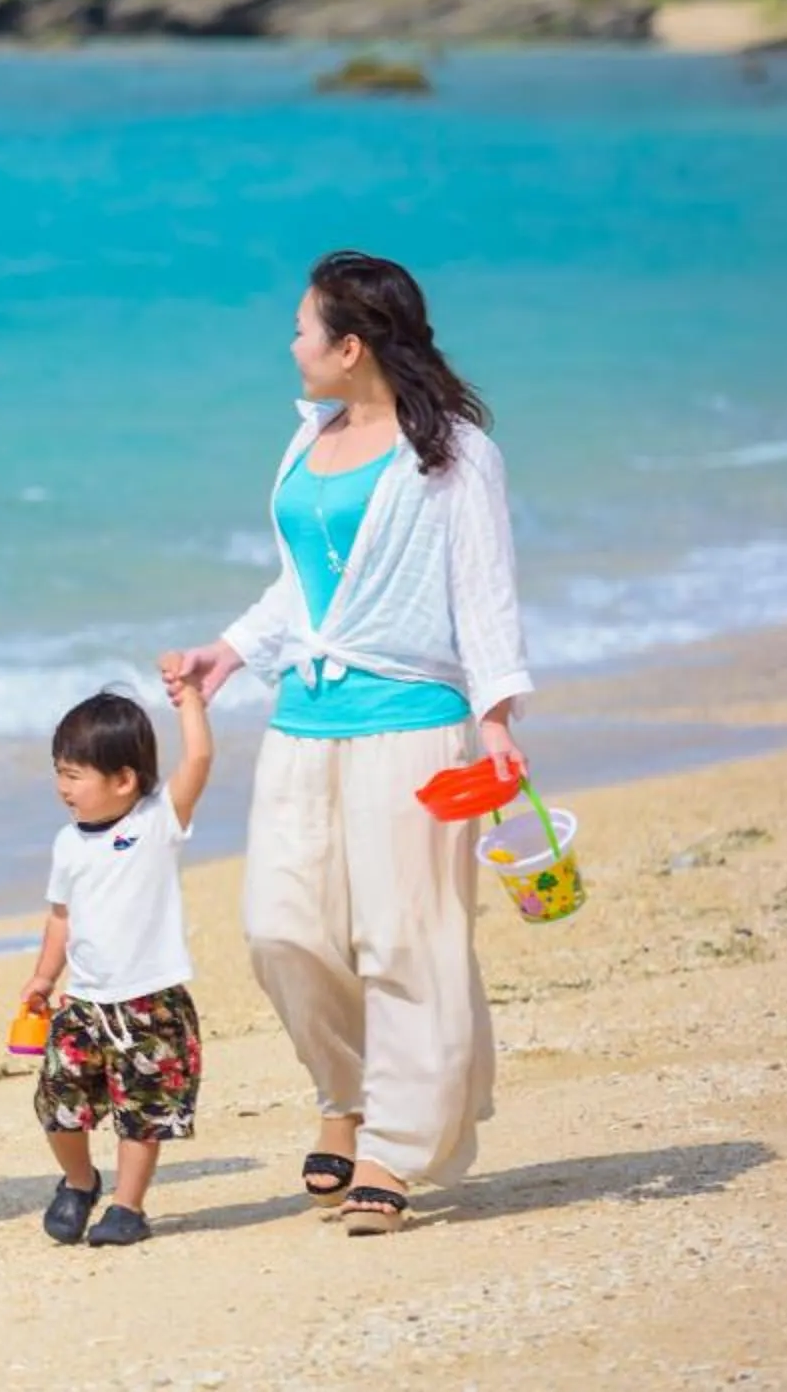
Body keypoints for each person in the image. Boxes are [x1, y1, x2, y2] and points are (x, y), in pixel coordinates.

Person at [166, 250, 530, 1237]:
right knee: (280, 928)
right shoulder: (307, 441)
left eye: (301, 328)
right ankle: (348, 1090)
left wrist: (496, 720)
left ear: (350, 344)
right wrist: (229, 653)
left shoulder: (452, 452)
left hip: (412, 727)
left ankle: (394, 1149)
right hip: (302, 722)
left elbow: (484, 593)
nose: (291, 344)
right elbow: (303, 589)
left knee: (405, 939)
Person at [19, 664, 215, 1248]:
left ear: (124, 779)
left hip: (150, 1000)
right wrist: (42, 976)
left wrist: (190, 702)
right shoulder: (66, 841)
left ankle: (128, 1207)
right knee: (58, 1100)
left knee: (144, 1110)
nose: (63, 786)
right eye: (59, 772)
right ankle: (80, 1182)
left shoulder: (157, 821)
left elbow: (198, 762)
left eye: (75, 775)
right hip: (83, 1002)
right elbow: (62, 916)